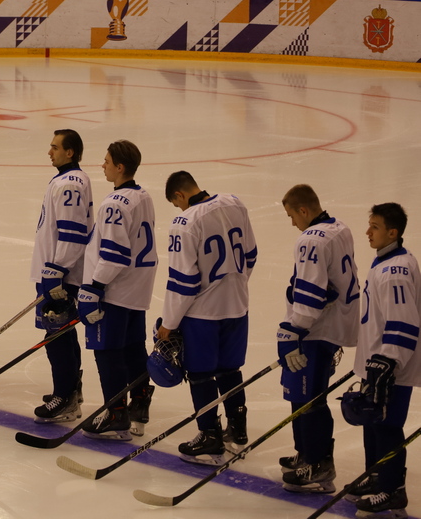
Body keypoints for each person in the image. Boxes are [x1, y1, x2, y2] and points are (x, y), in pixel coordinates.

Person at [158, 170, 257, 465]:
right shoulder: (235, 203)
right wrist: (234, 286)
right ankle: (238, 430)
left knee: (200, 374)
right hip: (237, 306)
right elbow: (250, 255)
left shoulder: (185, 222)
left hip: (202, 313)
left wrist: (168, 323)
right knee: (230, 369)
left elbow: (183, 282)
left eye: (177, 203)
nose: (179, 209)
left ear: (179, 195)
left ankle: (209, 435)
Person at [276, 184, 359, 493]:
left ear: (303, 210)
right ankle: (306, 454)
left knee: (309, 398)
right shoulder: (338, 227)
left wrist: (291, 331)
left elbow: (311, 297)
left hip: (316, 329)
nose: (292, 223)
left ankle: (318, 464)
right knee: (303, 394)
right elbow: (331, 284)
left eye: (292, 216)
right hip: (335, 323)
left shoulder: (310, 239)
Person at [77, 140, 157, 440]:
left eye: (107, 161)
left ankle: (115, 413)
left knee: (107, 350)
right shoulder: (142, 196)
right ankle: (138, 405)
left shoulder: (114, 204)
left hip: (116, 289)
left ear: (120, 167)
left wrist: (94, 288)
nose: (103, 165)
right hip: (138, 287)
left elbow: (114, 254)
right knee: (134, 347)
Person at [348, 203, 419, 517]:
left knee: (388, 425)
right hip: (376, 362)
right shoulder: (385, 262)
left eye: (374, 227)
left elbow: (403, 321)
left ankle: (391, 490)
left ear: (393, 232)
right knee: (371, 420)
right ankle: (376, 477)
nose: (368, 232)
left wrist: (388, 361)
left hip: (392, 368)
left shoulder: (395, 271)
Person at [29, 129, 91, 423]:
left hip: (61, 275)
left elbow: (73, 233)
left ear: (71, 152)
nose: (49, 152)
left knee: (57, 335)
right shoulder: (66, 180)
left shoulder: (70, 184)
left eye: (55, 147)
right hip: (56, 271)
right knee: (61, 334)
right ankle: (70, 390)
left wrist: (57, 271)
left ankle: (64, 397)